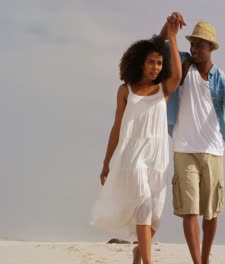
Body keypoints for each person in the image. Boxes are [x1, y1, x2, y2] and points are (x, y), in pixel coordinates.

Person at [90, 15, 185, 264]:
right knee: (143, 205)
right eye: (151, 62)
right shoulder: (126, 90)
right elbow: (117, 127)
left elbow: (176, 74)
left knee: (156, 216)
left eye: (159, 63)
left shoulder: (163, 89)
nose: (155, 67)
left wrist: (171, 37)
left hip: (158, 155)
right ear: (140, 63)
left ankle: (139, 252)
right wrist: (106, 162)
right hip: (133, 155)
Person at [161, 14, 225, 264]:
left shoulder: (224, 79)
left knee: (211, 212)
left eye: (199, 45)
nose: (194, 49)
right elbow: (162, 44)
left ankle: (205, 259)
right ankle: (197, 261)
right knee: (189, 211)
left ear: (210, 48)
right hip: (183, 148)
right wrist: (169, 26)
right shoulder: (182, 62)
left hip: (213, 150)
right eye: (192, 44)